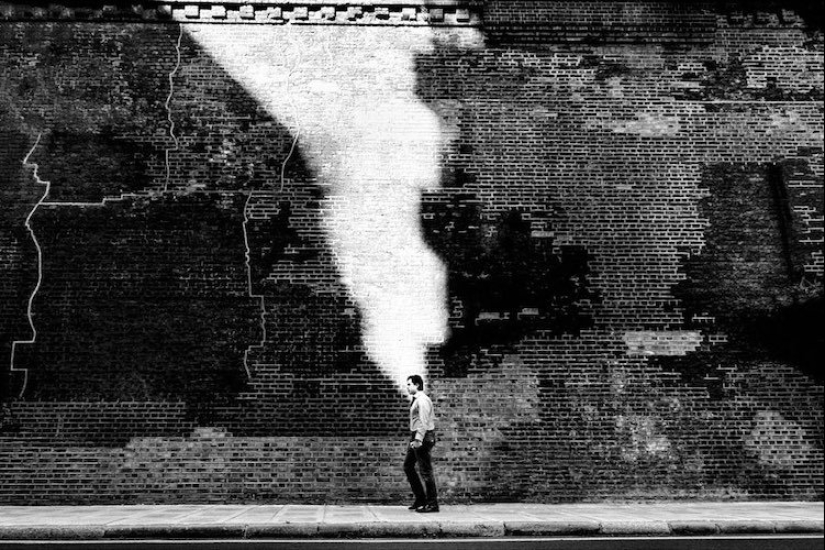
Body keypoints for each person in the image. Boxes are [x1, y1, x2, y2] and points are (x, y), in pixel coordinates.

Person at [404, 374, 439, 512]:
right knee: (408, 466)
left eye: (409, 384)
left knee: (425, 471)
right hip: (417, 435)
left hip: (422, 436)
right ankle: (421, 499)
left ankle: (432, 504)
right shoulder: (416, 399)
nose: (407, 387)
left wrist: (418, 439)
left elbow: (424, 421)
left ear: (417, 385)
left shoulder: (423, 400)